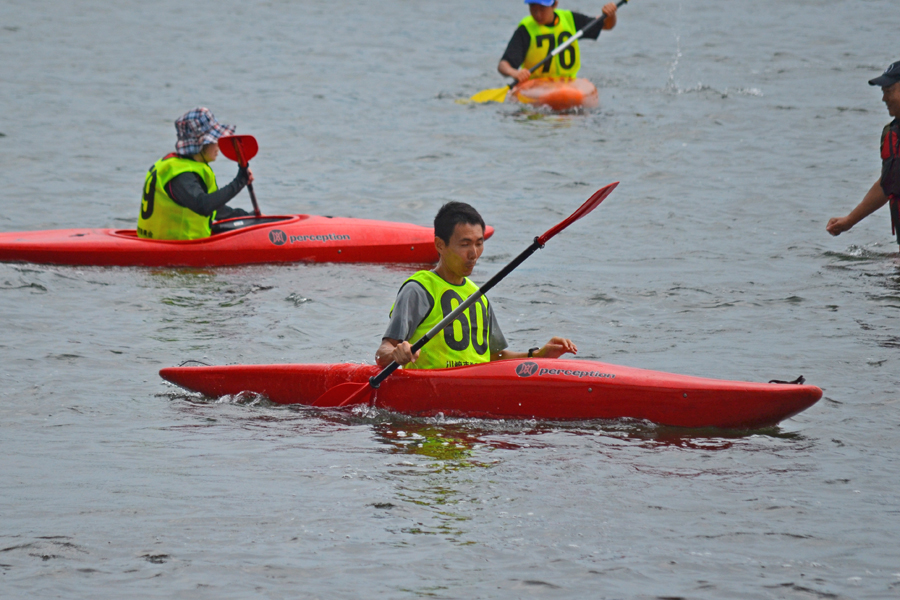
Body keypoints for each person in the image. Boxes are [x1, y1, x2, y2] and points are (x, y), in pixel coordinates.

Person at [375, 201, 577, 369]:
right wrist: (396, 354)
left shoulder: (477, 295)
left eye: (479, 243)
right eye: (465, 245)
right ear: (440, 245)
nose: (474, 254)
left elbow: (494, 356)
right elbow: (382, 353)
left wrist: (538, 355)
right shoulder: (418, 290)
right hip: (433, 394)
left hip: (473, 389)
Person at [137, 107, 254, 240]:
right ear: (200, 144)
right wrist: (239, 181)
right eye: (215, 140)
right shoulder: (181, 175)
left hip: (168, 242)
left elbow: (214, 209)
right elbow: (203, 205)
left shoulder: (186, 167)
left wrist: (245, 217)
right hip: (167, 247)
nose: (219, 145)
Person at [827, 61, 900, 243]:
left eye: (889, 91)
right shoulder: (891, 133)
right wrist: (849, 221)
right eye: (883, 92)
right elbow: (887, 183)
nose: (884, 98)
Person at [498, 0, 618, 84]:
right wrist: (514, 73)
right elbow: (503, 65)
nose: (537, 14)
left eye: (542, 8)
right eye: (533, 9)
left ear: (555, 4)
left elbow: (607, 25)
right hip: (536, 85)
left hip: (568, 83)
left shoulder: (570, 19)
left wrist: (610, 14)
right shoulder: (526, 29)